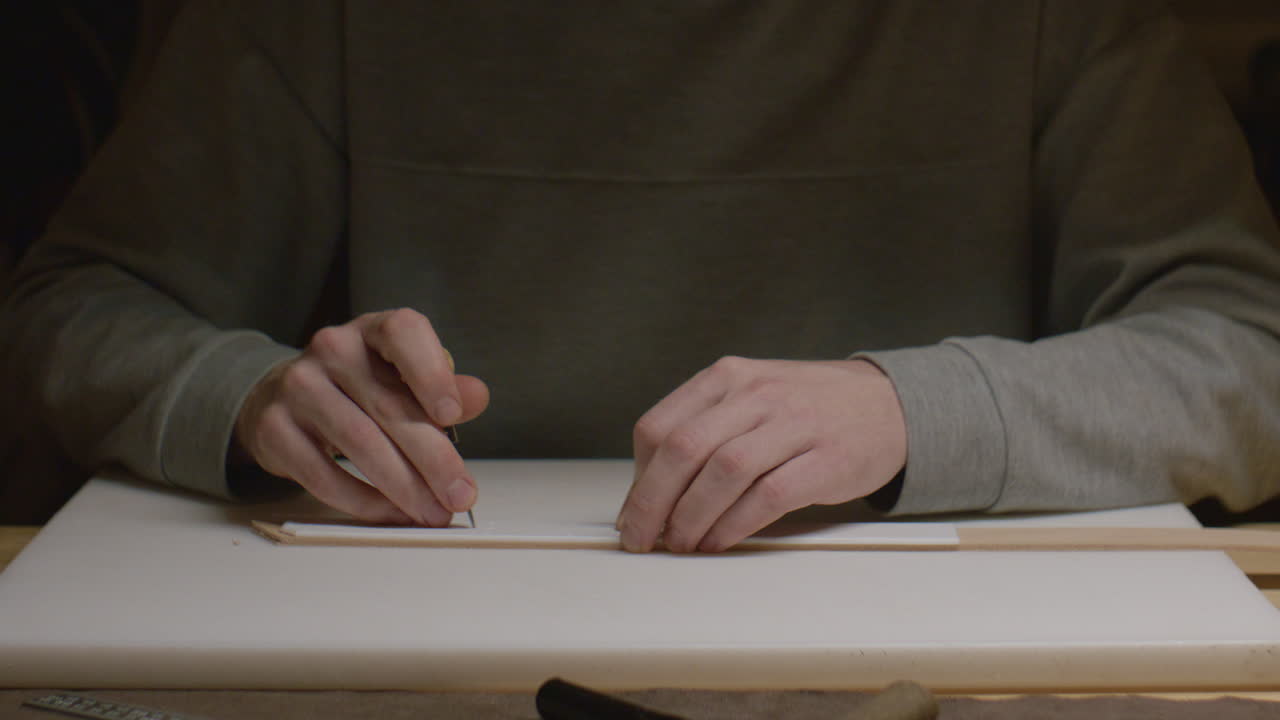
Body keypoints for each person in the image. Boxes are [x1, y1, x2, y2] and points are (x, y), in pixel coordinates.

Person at [3, 0, 1279, 553]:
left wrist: (910, 413)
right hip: (414, 625)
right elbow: (67, 308)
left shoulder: (1047, 20)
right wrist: (249, 394)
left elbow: (1245, 350)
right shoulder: (313, 17)